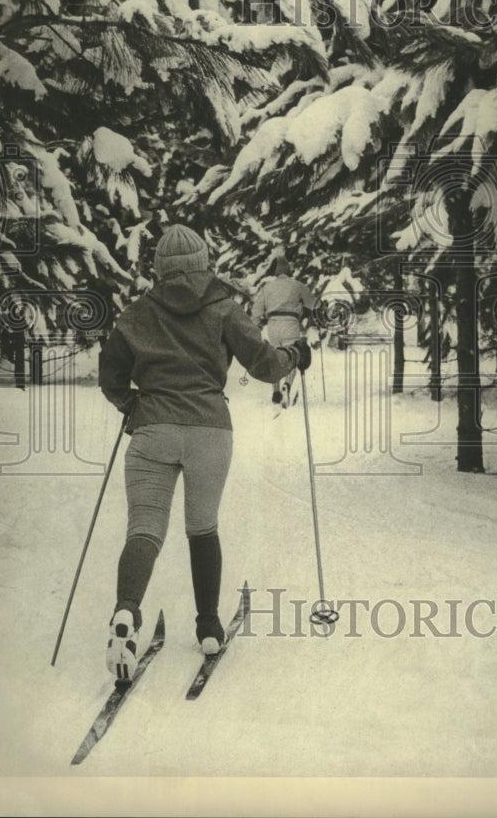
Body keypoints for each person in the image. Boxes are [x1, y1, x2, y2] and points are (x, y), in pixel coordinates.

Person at [98, 224, 311, 678]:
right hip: (210, 432)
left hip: (152, 429)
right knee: (202, 527)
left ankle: (126, 612)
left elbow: (110, 372)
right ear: (203, 263)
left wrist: (130, 402)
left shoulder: (136, 312)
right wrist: (295, 355)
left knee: (145, 530)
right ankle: (209, 627)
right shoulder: (223, 308)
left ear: (157, 268)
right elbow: (266, 365)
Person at [252, 256, 316, 407]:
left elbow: (256, 311)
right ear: (289, 271)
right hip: (290, 324)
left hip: (273, 326)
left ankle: (275, 390)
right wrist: (305, 313)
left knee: (275, 358)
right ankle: (287, 385)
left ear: (276, 273)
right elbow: (312, 303)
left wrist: (258, 324)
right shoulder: (297, 285)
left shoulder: (267, 288)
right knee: (293, 356)